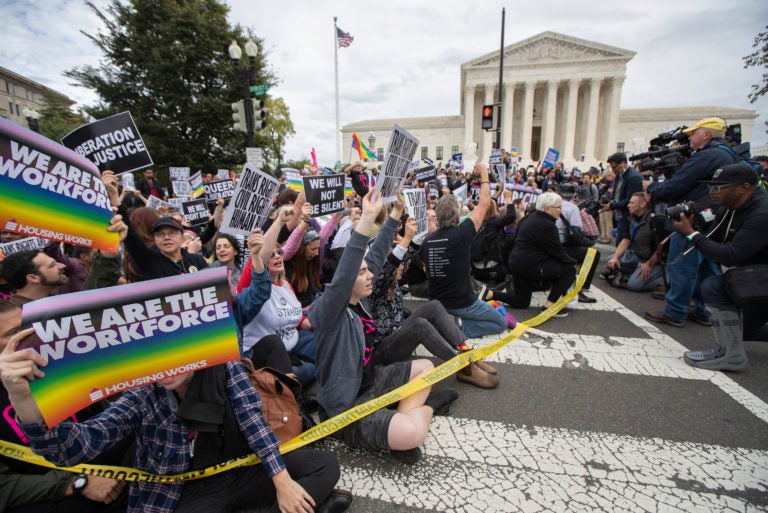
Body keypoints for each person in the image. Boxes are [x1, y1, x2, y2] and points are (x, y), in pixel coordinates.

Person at [309, 190, 455, 465]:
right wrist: (366, 218)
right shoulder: (330, 312)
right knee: (411, 433)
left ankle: (402, 417)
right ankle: (423, 412)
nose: (369, 276)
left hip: (371, 382)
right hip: (346, 410)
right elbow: (350, 266)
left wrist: (396, 214)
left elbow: (373, 257)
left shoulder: (358, 298)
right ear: (344, 279)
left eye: (367, 271)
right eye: (361, 272)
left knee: (426, 368)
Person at [369, 217, 499, 389]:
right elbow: (391, 267)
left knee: (434, 305)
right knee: (420, 325)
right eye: (399, 266)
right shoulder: (376, 285)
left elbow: (406, 257)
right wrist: (405, 239)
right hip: (383, 349)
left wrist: (415, 236)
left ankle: (466, 351)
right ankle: (462, 366)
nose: (403, 267)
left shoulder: (393, 279)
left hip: (398, 332)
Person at [671, 164, 768, 369]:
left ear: (743, 188)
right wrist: (694, 223)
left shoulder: (762, 213)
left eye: (719, 187)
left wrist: (691, 233)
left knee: (715, 286)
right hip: (758, 273)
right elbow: (714, 238)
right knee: (742, 331)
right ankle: (731, 345)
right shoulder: (731, 208)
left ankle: (731, 356)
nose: (712, 192)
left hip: (760, 275)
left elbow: (730, 256)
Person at [644, 117, 736, 328]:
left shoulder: (707, 156)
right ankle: (702, 310)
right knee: (707, 266)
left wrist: (652, 188)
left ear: (706, 134)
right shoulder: (726, 154)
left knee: (681, 265)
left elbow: (676, 185)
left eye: (694, 133)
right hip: (712, 218)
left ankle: (675, 311)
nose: (690, 138)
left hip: (692, 219)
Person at [420, 163, 507, 338]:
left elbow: (426, 269)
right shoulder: (462, 233)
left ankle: (446, 322)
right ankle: (456, 326)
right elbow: (484, 204)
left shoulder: (427, 241)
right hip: (463, 302)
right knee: (500, 323)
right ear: (457, 215)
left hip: (438, 303)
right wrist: (484, 173)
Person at [506, 192, 578, 317]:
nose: (561, 211)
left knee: (521, 301)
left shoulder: (528, 217)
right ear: (547, 209)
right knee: (569, 270)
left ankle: (489, 294)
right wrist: (572, 262)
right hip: (530, 265)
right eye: (558, 207)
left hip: (517, 263)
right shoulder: (548, 225)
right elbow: (557, 252)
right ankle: (549, 306)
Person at [602, 192, 665, 292]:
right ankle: (634, 272)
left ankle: (665, 279)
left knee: (634, 285)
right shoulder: (632, 218)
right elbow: (626, 239)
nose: (628, 205)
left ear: (643, 204)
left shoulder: (655, 221)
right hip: (638, 255)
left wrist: (649, 265)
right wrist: (615, 257)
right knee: (610, 260)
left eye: (631, 203)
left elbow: (662, 247)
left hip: (653, 260)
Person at [555, 183, 598, 304]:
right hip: (563, 245)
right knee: (593, 254)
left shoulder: (549, 205)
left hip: (548, 243)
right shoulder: (572, 208)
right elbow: (577, 228)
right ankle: (581, 287)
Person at [1, 250, 69, 308]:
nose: (62, 266)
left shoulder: (60, 302)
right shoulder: (14, 316)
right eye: (52, 265)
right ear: (33, 278)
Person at [602, 152, 643, 248]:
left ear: (623, 163)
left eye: (615, 167)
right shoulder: (619, 176)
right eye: (611, 168)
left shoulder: (633, 177)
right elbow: (616, 194)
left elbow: (631, 200)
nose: (613, 170)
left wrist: (612, 206)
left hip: (629, 216)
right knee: (619, 242)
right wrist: (610, 202)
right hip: (619, 215)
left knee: (624, 242)